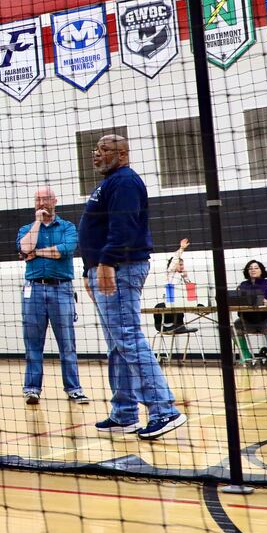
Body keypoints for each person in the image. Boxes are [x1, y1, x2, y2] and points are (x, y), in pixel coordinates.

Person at [79, 134, 186, 441]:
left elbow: (122, 227)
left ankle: (164, 409)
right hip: (104, 268)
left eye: (103, 150)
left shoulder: (124, 182)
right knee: (117, 342)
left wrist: (108, 264)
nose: (96, 155)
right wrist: (91, 269)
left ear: (122, 155)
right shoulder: (111, 182)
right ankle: (125, 413)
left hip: (121, 269)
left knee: (127, 337)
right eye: (95, 149)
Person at [17, 186, 88, 405]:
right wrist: (37, 223)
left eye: (45, 198)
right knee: (33, 343)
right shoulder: (27, 229)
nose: (41, 202)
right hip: (34, 290)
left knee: (67, 343)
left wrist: (35, 253)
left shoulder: (68, 227)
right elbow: (23, 246)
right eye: (37, 199)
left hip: (61, 289)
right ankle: (32, 389)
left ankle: (74, 389)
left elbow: (63, 251)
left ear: (55, 201)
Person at [234, 259, 267, 367]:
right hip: (249, 321)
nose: (253, 270)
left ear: (261, 270)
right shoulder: (242, 286)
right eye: (250, 268)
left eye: (256, 268)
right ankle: (246, 357)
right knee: (235, 326)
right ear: (247, 271)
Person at [164, 237, 194, 304]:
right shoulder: (170, 272)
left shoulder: (182, 274)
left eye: (183, 264)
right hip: (170, 300)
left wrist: (186, 277)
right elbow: (175, 258)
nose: (182, 266)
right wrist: (182, 248)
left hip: (181, 301)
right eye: (180, 264)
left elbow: (190, 290)